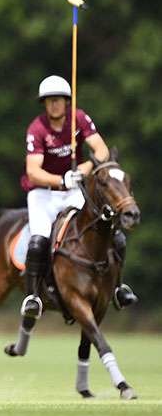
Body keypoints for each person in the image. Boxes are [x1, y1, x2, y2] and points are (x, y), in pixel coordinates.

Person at [19, 75, 137, 318]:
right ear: (44, 104)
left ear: (67, 102)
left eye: (59, 100)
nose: (54, 105)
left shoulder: (79, 119)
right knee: (39, 240)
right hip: (43, 194)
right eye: (49, 101)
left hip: (73, 191)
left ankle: (118, 288)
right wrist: (60, 179)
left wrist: (81, 171)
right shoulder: (37, 128)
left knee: (113, 233)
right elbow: (33, 171)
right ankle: (33, 297)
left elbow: (102, 151)